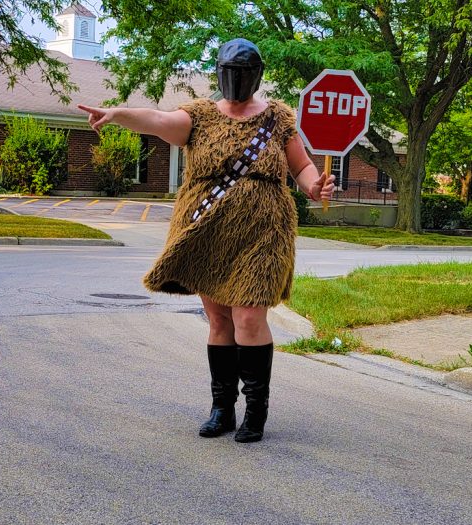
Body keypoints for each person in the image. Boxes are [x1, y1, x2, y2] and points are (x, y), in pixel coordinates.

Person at [79, 38, 335, 443]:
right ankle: (222, 408)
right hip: (206, 229)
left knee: (249, 317)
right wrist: (117, 113)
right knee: (218, 319)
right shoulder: (197, 116)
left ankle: (255, 410)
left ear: (258, 75)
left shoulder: (279, 118)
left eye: (245, 73)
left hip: (263, 232)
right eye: (230, 72)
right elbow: (155, 120)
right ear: (219, 72)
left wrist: (314, 188)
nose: (237, 80)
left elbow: (301, 166)